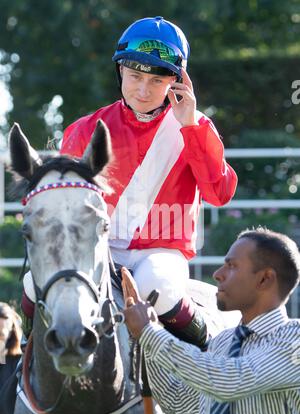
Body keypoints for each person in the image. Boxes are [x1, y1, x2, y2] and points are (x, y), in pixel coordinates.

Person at [22, 16, 237, 347]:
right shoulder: (85, 128)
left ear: (177, 82)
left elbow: (220, 194)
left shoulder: (197, 125)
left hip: (162, 251)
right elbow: (61, 196)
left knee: (157, 286)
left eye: (156, 81)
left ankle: (211, 353)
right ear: (120, 71)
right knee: (30, 282)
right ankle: (24, 359)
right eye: (135, 76)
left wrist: (191, 126)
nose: (142, 89)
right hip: (97, 244)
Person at [122, 227, 300, 414]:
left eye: (232, 266)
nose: (218, 274)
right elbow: (179, 405)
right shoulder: (222, 343)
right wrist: (142, 337)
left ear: (265, 279)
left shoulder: (294, 339)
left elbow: (230, 381)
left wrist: (150, 333)